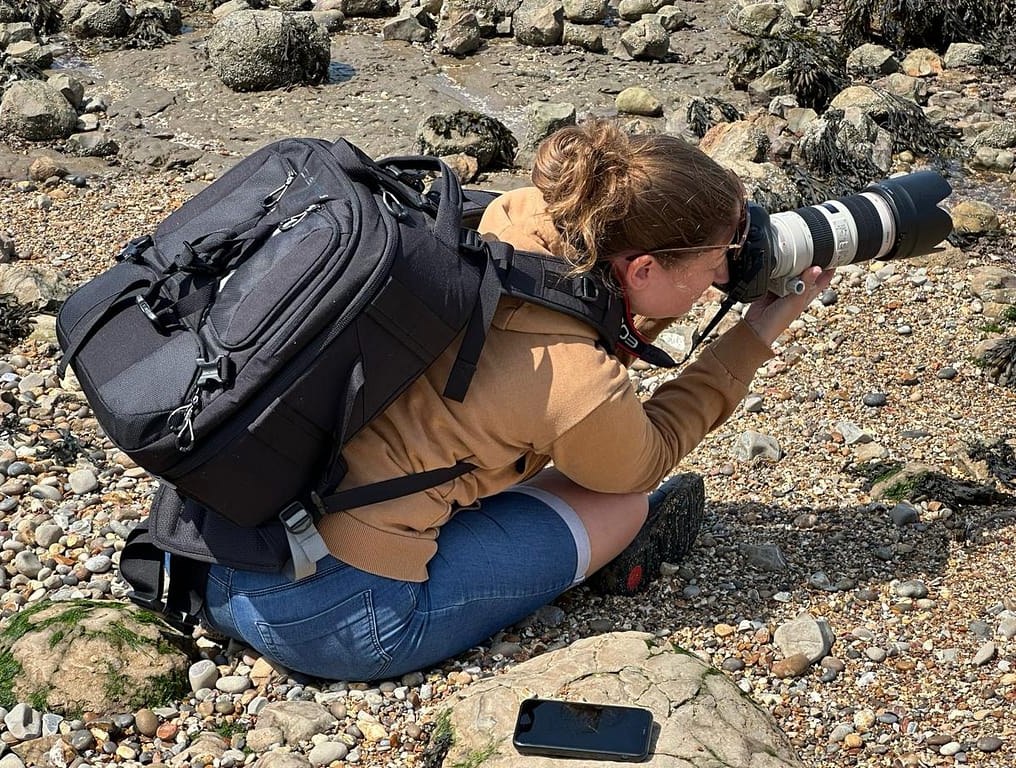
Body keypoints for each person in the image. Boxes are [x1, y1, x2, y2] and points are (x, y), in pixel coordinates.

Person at [201, 118, 834, 682]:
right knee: (623, 505)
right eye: (713, 265)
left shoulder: (513, 216)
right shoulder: (577, 383)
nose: (720, 278)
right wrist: (756, 332)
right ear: (641, 270)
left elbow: (584, 321)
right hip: (335, 614)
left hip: (213, 544)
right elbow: (648, 455)